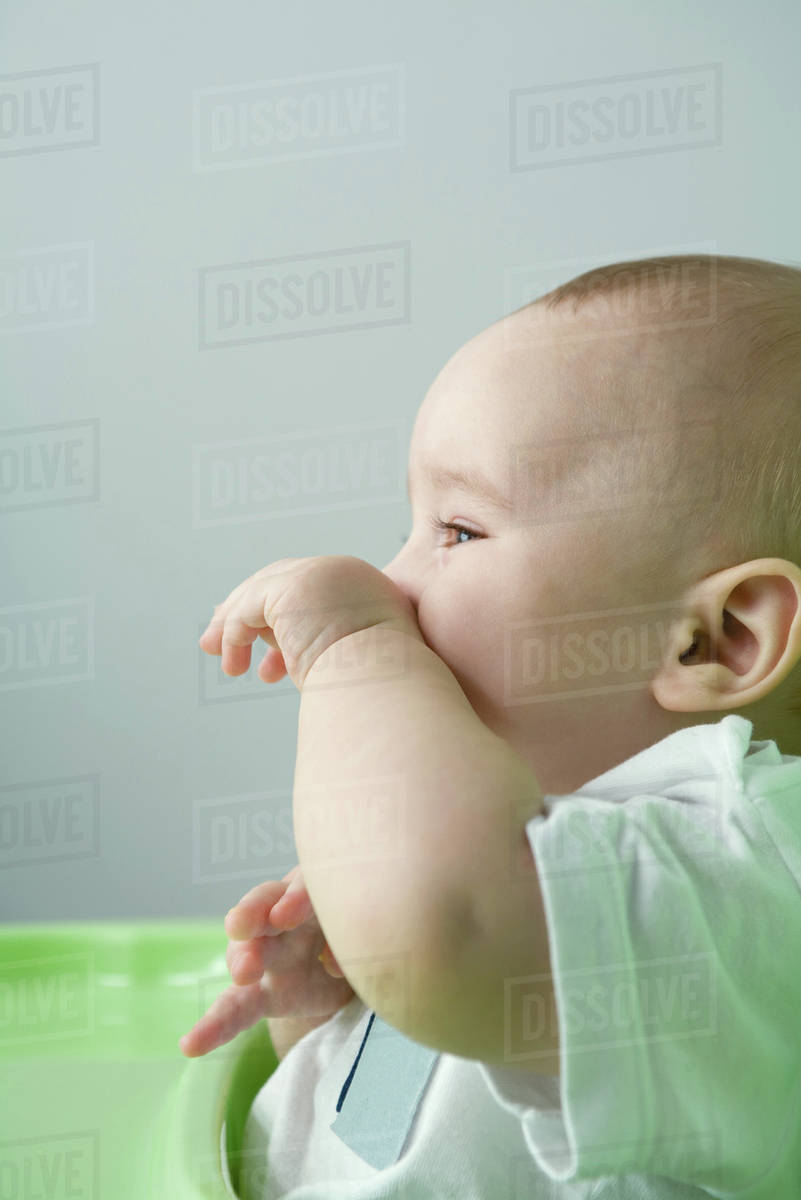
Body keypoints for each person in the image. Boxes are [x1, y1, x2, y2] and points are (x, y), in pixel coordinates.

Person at [180, 254, 801, 1198]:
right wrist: (325, 1018)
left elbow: (445, 936)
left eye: (459, 531)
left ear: (712, 640)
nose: (391, 581)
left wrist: (355, 648)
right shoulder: (534, 835)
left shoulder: (734, 880)